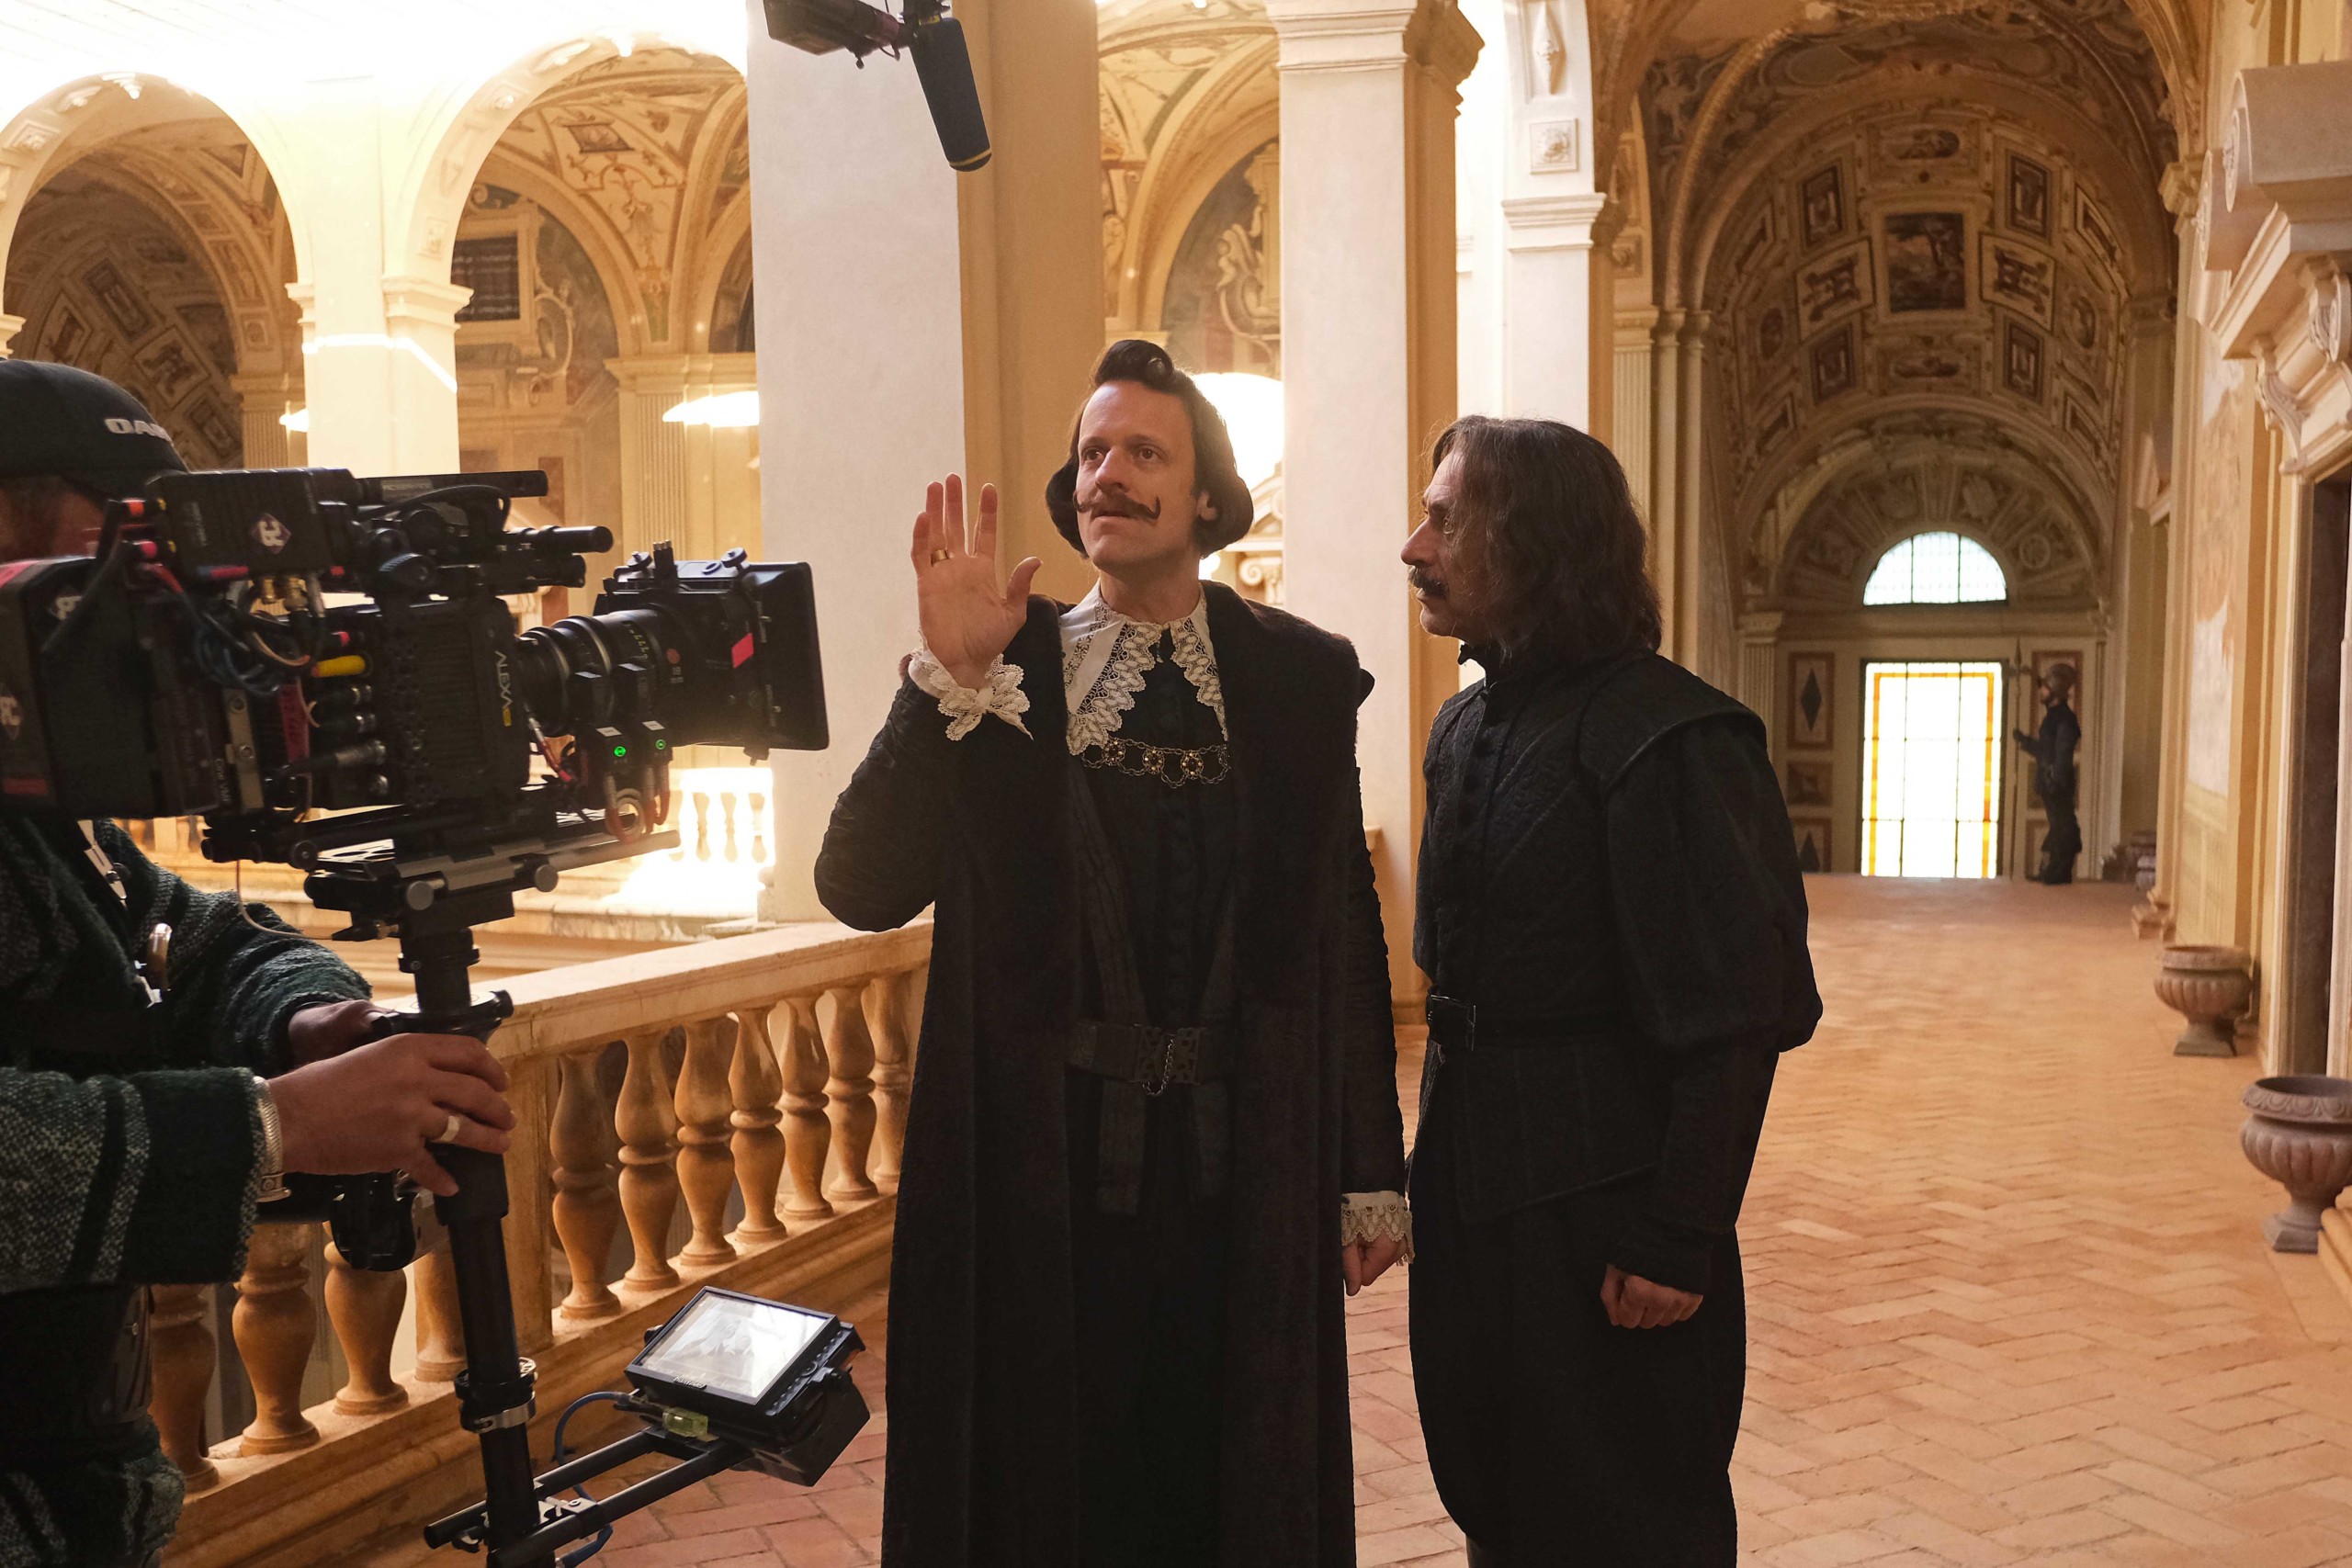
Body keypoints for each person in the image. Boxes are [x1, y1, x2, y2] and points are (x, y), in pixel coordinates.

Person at [817, 339, 1409, 1566]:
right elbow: (860, 885)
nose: (1111, 472)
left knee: (1221, 1482)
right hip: (1036, 1180)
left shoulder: (1297, 680)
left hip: (1240, 1175)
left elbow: (1340, 930)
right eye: (1094, 451)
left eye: (1146, 451)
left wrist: (1369, 1165)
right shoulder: (1002, 656)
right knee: (1047, 1492)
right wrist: (943, 678)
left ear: (1206, 496)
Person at [0, 360, 518, 1568]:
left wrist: (310, 1022)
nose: (150, 626)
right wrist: (273, 1126)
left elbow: (184, 930)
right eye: (108, 564)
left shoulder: (33, 796)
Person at [1399, 416, 1821, 1566]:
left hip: (1607, 1207)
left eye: (1443, 519)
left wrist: (1680, 1233)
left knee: (1631, 1506)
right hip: (1473, 1191)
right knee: (1498, 1489)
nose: (1412, 547)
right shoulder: (1463, 725)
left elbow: (1740, 1016)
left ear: (1532, 538)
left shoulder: (1672, 735)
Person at [2016, 665, 2082, 885]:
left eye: (2044, 687)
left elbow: (2062, 752)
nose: (2041, 692)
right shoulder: (2054, 717)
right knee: (2060, 824)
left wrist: (2056, 779)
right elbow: (2047, 751)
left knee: (2064, 825)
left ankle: (2057, 871)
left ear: (2054, 691)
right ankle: (2053, 870)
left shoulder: (2064, 719)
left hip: (2056, 780)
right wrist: (2025, 742)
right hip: (2050, 779)